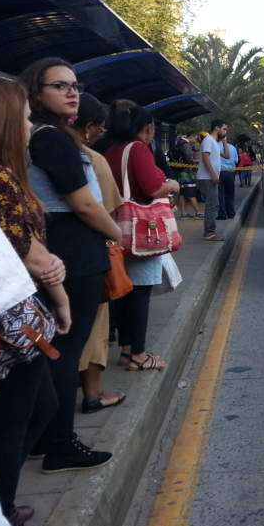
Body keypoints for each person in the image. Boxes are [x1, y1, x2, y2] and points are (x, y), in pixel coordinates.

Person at [21, 58, 120, 474]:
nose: (72, 92)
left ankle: (44, 435)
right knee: (65, 350)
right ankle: (60, 443)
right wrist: (117, 231)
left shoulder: (42, 137)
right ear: (36, 94)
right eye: (59, 86)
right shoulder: (52, 140)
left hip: (60, 249)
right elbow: (83, 202)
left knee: (55, 349)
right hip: (73, 253)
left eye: (74, 85)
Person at [0, 75, 68, 526]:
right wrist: (60, 295)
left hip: (11, 319)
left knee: (28, 412)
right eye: (24, 115)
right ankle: (4, 517)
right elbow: (27, 250)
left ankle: (2, 504)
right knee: (16, 418)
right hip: (7, 324)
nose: (29, 123)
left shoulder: (0, 173)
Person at [106, 106, 179, 373]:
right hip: (141, 231)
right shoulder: (137, 149)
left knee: (126, 292)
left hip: (118, 227)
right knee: (140, 293)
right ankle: (138, 353)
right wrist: (173, 186)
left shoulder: (113, 149)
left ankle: (126, 350)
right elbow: (152, 186)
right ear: (148, 127)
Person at [70, 93, 126, 413]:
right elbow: (109, 210)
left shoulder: (29, 154)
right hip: (90, 258)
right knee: (93, 328)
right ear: (90, 127)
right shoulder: (92, 160)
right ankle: (92, 393)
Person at [196, 119, 227, 241]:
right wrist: (214, 175)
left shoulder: (213, 141)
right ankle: (209, 233)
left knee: (213, 204)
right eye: (224, 129)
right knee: (212, 205)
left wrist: (225, 142)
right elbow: (205, 158)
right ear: (217, 128)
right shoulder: (208, 140)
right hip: (207, 178)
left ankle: (209, 231)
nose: (225, 131)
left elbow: (227, 156)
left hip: (209, 178)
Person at [173, 133, 202, 218]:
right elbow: (190, 159)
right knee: (190, 191)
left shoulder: (179, 143)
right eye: (195, 138)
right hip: (187, 172)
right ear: (191, 136)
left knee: (182, 193)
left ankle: (183, 213)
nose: (195, 140)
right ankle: (198, 212)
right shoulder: (186, 145)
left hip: (180, 171)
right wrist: (198, 161)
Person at [217, 135, 238, 220]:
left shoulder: (216, 146)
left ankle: (222, 214)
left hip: (220, 172)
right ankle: (231, 213)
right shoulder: (233, 147)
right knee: (230, 194)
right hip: (230, 172)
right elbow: (236, 160)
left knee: (220, 194)